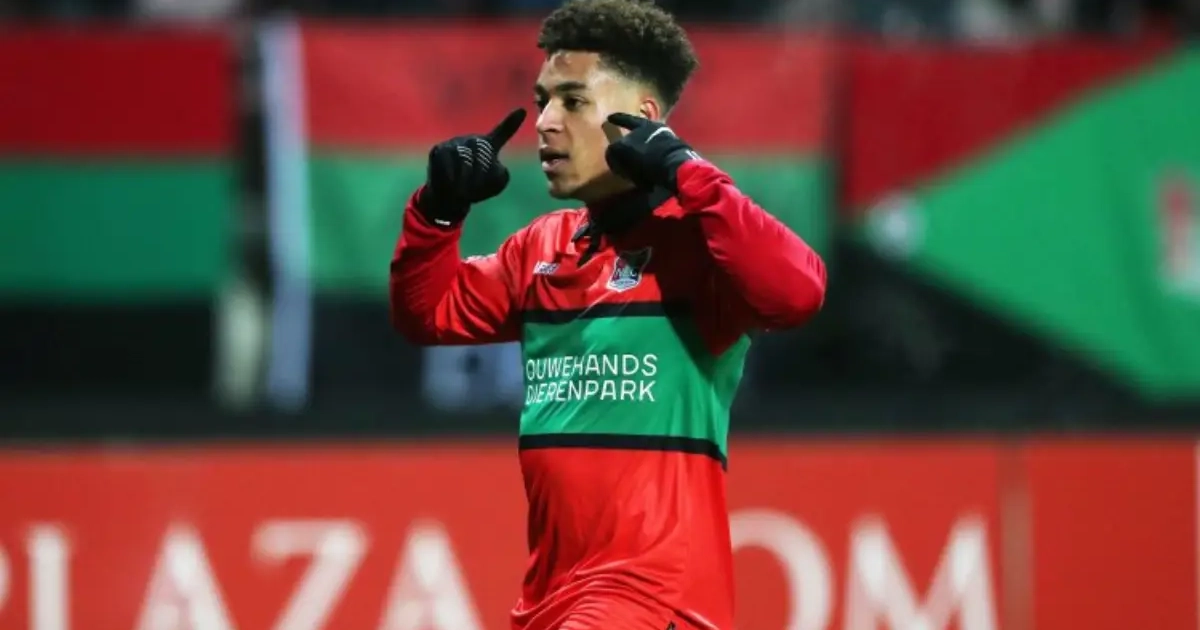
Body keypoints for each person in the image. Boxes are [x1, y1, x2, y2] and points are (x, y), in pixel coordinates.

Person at [389, 1, 827, 627]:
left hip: (653, 601)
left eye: (572, 101)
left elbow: (798, 293)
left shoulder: (699, 244)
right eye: (542, 101)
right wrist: (437, 211)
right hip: (551, 600)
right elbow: (427, 314)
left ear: (640, 120)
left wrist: (687, 170)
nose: (545, 122)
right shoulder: (541, 249)